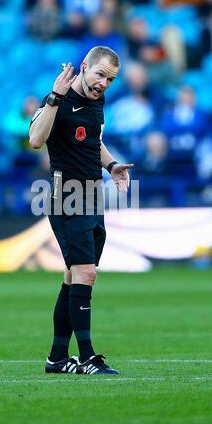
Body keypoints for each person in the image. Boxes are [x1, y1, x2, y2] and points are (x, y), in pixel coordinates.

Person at [29, 46, 133, 375]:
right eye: (100, 74)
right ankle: (88, 358)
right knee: (86, 274)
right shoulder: (56, 99)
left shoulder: (96, 102)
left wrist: (112, 165)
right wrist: (54, 98)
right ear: (84, 67)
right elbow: (35, 139)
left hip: (92, 196)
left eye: (110, 79)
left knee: (74, 277)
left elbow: (93, 141)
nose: (104, 83)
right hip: (66, 198)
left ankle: (57, 358)